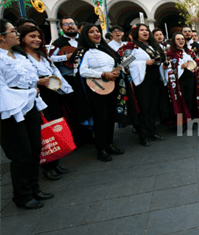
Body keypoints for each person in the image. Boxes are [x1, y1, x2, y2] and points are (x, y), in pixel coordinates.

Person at [0, 19, 53, 209]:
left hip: (29, 104)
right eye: (12, 31)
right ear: (2, 37)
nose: (16, 34)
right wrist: (28, 92)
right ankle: (22, 195)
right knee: (21, 153)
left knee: (34, 148)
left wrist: (36, 86)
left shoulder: (18, 55)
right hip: (10, 109)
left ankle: (34, 187)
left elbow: (29, 80)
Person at [19, 24, 74, 180]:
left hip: (52, 92)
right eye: (32, 37)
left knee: (54, 126)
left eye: (38, 37)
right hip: (37, 95)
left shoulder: (41, 55)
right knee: (43, 132)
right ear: (22, 38)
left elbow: (54, 72)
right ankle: (47, 165)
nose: (36, 40)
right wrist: (39, 81)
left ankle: (55, 161)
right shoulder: (21, 57)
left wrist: (63, 86)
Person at [77, 24, 126, 162]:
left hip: (112, 87)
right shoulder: (84, 52)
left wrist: (115, 72)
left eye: (97, 31)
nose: (96, 34)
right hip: (96, 90)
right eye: (91, 32)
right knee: (101, 119)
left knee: (110, 117)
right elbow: (82, 71)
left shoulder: (107, 49)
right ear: (85, 35)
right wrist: (103, 74)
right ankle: (101, 149)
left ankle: (109, 144)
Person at [120, 24, 166, 147]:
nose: (145, 32)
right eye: (142, 30)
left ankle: (152, 132)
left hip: (154, 78)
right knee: (144, 108)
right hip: (141, 80)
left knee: (153, 107)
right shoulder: (131, 46)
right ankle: (143, 135)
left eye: (146, 30)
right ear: (136, 33)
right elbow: (124, 63)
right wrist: (144, 63)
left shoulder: (152, 46)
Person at [165, 32, 198, 124]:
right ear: (174, 41)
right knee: (179, 101)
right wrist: (181, 67)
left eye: (182, 39)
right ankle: (180, 123)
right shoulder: (171, 53)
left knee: (190, 100)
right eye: (178, 39)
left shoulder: (189, 52)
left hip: (190, 79)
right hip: (179, 80)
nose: (181, 41)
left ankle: (189, 120)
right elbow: (169, 68)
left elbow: (196, 63)